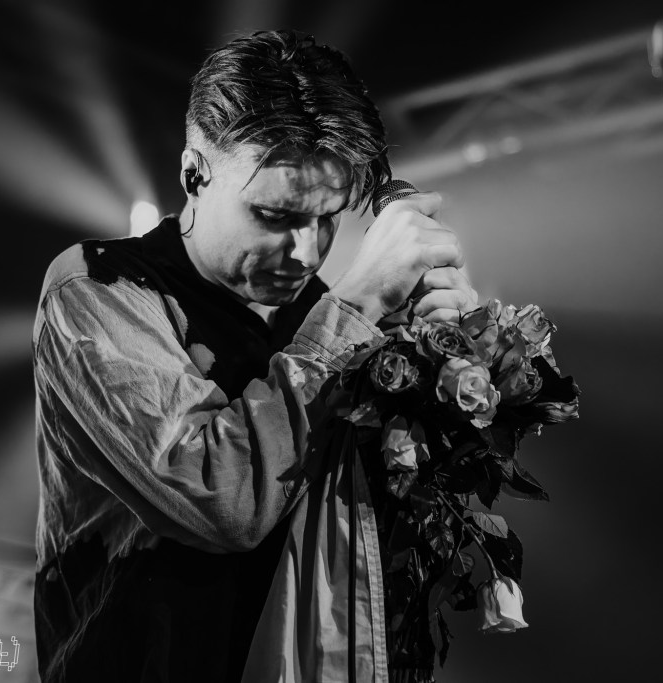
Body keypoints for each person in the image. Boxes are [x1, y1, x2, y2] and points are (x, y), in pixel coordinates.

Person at [32, 29, 477, 683]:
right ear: (195, 173)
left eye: (328, 218)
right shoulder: (97, 287)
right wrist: (354, 310)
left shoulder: (331, 317)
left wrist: (439, 357)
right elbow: (224, 500)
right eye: (274, 215)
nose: (306, 253)